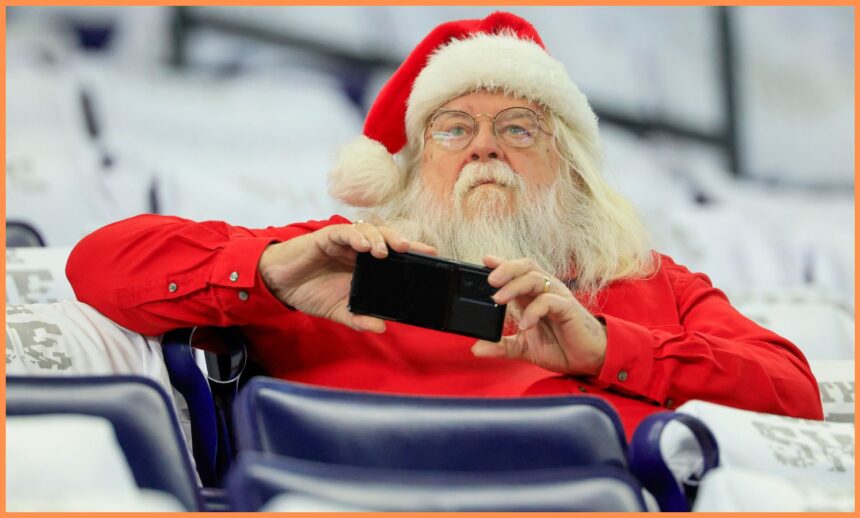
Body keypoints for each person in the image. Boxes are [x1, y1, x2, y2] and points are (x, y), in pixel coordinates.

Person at [66, 11, 823, 437]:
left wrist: (607, 347)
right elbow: (98, 263)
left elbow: (795, 394)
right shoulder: (339, 264)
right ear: (408, 167)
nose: (485, 144)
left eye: (520, 128)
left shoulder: (647, 286)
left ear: (572, 168)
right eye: (453, 129)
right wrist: (265, 272)